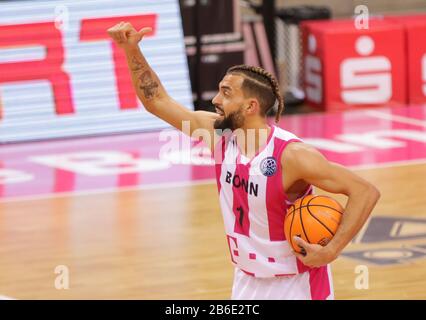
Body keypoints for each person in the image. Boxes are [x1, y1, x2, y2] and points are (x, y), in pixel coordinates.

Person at [107, 22, 380, 300]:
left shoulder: (292, 156)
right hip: (246, 282)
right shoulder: (218, 136)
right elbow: (157, 102)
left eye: (226, 93)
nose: (215, 99)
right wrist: (132, 50)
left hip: (297, 285)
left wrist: (332, 250)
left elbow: (365, 191)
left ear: (251, 106)